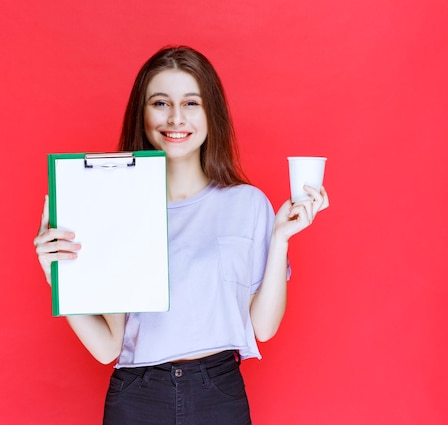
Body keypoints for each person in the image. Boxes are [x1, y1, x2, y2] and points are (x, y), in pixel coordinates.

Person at [34, 46, 329, 425]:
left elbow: (264, 328)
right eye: (160, 103)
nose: (176, 117)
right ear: (141, 114)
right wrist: (56, 276)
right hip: (136, 397)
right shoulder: (112, 206)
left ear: (211, 114)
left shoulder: (248, 204)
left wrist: (281, 239)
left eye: (191, 103)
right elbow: (107, 346)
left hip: (218, 395)